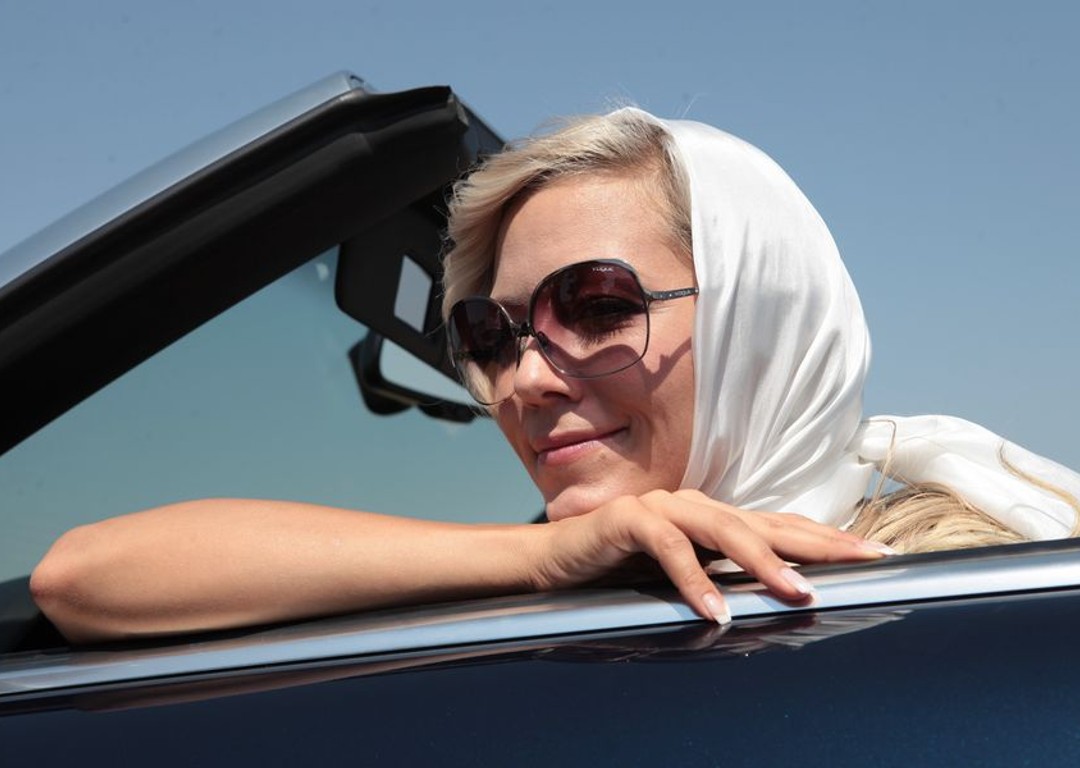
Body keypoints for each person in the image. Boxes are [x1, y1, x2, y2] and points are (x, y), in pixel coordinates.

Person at [31, 108, 1080, 644]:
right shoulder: (561, 580)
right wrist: (539, 561)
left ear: (765, 316)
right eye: (488, 334)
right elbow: (79, 580)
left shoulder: (955, 592)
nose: (523, 379)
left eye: (598, 305)